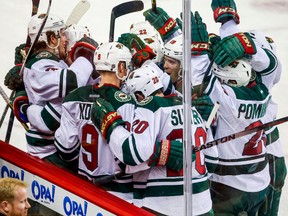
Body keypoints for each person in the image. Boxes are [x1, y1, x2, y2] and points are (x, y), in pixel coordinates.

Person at [91, 65, 219, 215]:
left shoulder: (150, 105)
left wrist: (110, 124)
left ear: (139, 95)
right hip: (203, 204)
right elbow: (211, 160)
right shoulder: (190, 107)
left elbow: (133, 153)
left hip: (164, 206)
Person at [209, 0, 287, 214]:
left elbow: (269, 65)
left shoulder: (261, 78)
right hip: (261, 154)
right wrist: (227, 20)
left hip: (260, 161)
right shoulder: (255, 82)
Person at [14, 13, 97, 171]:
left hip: (58, 151)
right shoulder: (41, 64)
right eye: (62, 34)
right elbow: (72, 81)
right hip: (49, 155)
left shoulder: (51, 62)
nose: (65, 39)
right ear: (52, 38)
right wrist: (85, 56)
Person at [54, 41, 136, 201]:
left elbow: (66, 148)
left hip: (84, 188)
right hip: (119, 192)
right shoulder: (129, 103)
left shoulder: (73, 98)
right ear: (120, 67)